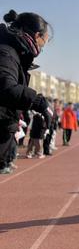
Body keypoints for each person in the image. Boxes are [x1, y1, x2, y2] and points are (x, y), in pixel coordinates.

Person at [0, 10, 52, 174]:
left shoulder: (12, 52)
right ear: (37, 36)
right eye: (41, 46)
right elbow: (5, 88)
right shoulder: (6, 52)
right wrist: (37, 101)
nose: (39, 51)